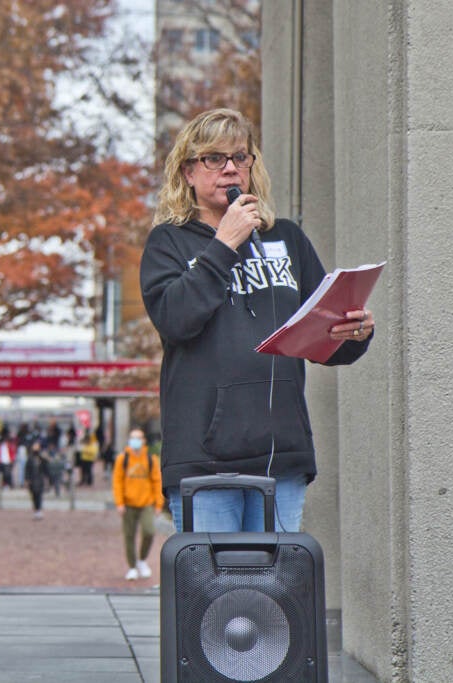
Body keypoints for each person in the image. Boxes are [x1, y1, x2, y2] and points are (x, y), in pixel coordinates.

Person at [141, 108, 375, 534]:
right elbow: (175, 320)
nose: (230, 168)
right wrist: (225, 244)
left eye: (240, 157)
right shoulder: (168, 243)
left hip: (280, 455)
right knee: (216, 597)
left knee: (276, 595)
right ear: (189, 172)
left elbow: (319, 331)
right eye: (214, 158)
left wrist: (354, 333)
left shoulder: (286, 238)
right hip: (204, 461)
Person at [112, 429, 163, 580]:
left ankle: (142, 559)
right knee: (129, 535)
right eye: (133, 438)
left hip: (146, 502)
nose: (135, 441)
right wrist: (119, 502)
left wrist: (158, 503)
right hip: (128, 504)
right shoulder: (123, 459)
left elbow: (157, 481)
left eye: (138, 438)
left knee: (149, 531)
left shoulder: (150, 459)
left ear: (144, 440)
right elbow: (117, 481)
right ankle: (132, 566)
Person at [24, 441, 50, 520]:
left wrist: (47, 479)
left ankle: (39, 511)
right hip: (32, 480)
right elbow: (27, 470)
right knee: (34, 496)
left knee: (39, 496)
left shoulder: (42, 458)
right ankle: (36, 511)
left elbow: (46, 468)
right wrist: (27, 480)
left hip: (40, 480)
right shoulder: (30, 458)